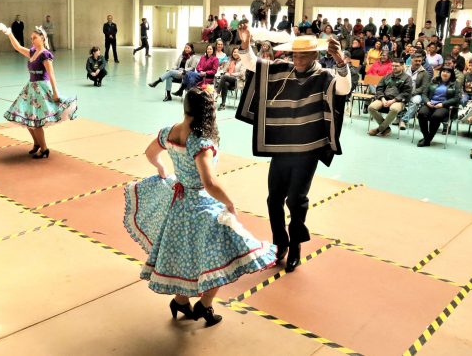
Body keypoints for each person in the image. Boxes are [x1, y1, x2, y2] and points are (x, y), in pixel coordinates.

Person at [124, 87, 277, 326]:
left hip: (179, 204)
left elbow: (150, 152)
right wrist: (230, 203)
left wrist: (162, 169)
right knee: (222, 253)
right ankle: (204, 305)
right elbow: (210, 182)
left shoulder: (170, 131)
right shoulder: (201, 142)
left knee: (187, 254)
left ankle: (181, 302)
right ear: (208, 112)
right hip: (202, 206)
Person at [236, 26, 351, 272]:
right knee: (274, 199)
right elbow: (253, 65)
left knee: (296, 200)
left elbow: (343, 88)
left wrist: (340, 61)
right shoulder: (282, 71)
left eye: (303, 56)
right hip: (281, 148)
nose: (298, 60)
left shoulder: (325, 75)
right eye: (295, 55)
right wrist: (246, 45)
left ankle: (296, 246)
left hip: (308, 150)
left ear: (314, 57)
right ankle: (280, 243)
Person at [0, 23, 78, 159]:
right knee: (27, 118)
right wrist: (8, 32)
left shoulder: (45, 54)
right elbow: (18, 47)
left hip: (41, 89)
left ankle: (44, 149)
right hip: (31, 88)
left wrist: (55, 92)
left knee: (36, 120)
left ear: (42, 38)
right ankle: (37, 143)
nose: (32, 40)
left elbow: (51, 74)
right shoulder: (32, 52)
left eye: (35, 37)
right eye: (31, 38)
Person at [416, 68, 461, 146]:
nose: (445, 73)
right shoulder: (433, 81)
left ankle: (428, 139)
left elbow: (456, 98)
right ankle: (427, 137)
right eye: (443, 71)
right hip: (431, 103)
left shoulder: (456, 84)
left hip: (444, 106)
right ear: (440, 72)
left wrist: (443, 104)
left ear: (451, 74)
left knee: (436, 116)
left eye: (448, 72)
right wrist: (427, 102)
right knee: (421, 114)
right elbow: (424, 94)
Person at [368, 58, 413, 136]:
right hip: (384, 98)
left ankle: (379, 129)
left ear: (402, 66)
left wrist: (393, 100)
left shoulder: (407, 78)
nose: (394, 67)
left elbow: (406, 93)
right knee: (371, 107)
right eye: (393, 66)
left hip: (398, 101)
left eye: (397, 66)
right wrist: (382, 99)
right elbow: (379, 88)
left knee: (394, 109)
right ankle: (386, 128)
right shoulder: (387, 76)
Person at [399, 54, 432, 130]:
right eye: (416, 61)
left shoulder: (424, 73)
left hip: (416, 94)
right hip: (403, 92)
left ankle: (404, 120)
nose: (418, 62)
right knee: (396, 98)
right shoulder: (405, 70)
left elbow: (424, 87)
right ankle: (399, 116)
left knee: (416, 101)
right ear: (411, 60)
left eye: (419, 61)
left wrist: (412, 93)